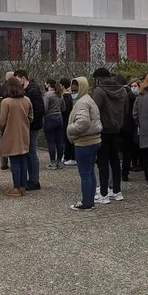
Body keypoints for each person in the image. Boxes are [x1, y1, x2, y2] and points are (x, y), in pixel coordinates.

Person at [91, 68, 128, 203]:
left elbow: (94, 110)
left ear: (98, 78)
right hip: (117, 129)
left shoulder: (99, 91)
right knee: (115, 160)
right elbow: (126, 110)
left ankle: (103, 193)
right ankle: (116, 191)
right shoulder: (122, 91)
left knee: (102, 162)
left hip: (103, 130)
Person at [66, 77, 102, 211]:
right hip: (94, 140)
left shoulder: (81, 103)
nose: (73, 93)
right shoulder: (89, 99)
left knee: (85, 173)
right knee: (90, 172)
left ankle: (86, 203)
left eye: (75, 90)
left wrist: (70, 129)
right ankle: (90, 201)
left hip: (84, 142)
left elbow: (83, 122)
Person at [0, 77, 34, 196]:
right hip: (24, 132)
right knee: (23, 160)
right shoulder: (27, 100)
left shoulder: (6, 102)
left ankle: (16, 187)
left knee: (15, 161)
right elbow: (31, 117)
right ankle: (23, 186)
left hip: (11, 133)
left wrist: (2, 129)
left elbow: (2, 121)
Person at [14, 70, 45, 191]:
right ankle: (31, 178)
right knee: (29, 153)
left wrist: (30, 122)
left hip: (32, 126)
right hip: (29, 125)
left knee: (31, 152)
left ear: (23, 78)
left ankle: (34, 180)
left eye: (17, 79)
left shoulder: (33, 90)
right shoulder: (29, 90)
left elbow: (39, 109)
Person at [42, 79, 66, 170]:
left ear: (48, 84)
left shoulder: (47, 95)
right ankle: (59, 161)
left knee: (51, 142)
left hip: (50, 118)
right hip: (59, 118)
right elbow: (64, 108)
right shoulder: (60, 94)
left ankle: (53, 162)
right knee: (60, 141)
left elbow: (45, 109)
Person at [120, 76, 140, 181]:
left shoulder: (119, 95)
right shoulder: (132, 97)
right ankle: (125, 172)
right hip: (131, 125)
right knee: (129, 150)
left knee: (123, 151)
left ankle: (123, 173)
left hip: (120, 125)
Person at [0, 71, 16, 172]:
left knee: (4, 140)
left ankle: (4, 162)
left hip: (5, 117)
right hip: (12, 118)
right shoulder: (16, 89)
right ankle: (12, 161)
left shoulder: (2, 87)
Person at [59, 77, 76, 166]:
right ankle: (67, 156)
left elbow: (65, 109)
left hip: (66, 119)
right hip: (68, 119)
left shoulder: (66, 96)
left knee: (67, 139)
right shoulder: (69, 95)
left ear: (62, 86)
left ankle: (70, 157)